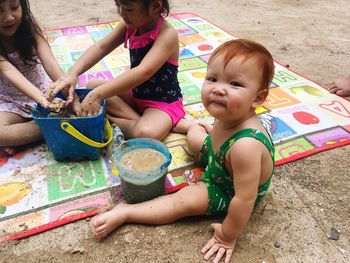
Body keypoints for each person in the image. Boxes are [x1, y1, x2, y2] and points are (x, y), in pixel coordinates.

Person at [90, 39, 276, 263]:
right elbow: (217, 136)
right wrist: (208, 131)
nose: (218, 89)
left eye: (234, 84)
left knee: (183, 200)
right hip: (218, 157)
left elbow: (244, 199)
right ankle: (190, 125)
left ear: (257, 98)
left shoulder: (247, 146)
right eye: (212, 79)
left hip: (228, 188)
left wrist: (227, 236)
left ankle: (126, 211)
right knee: (196, 137)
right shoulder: (230, 114)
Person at [48, 0, 185, 140]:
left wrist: (98, 95)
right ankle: (136, 120)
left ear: (156, 6)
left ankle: (107, 118)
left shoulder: (167, 34)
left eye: (128, 9)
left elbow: (143, 71)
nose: (121, 13)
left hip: (162, 103)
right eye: (117, 5)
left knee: (146, 133)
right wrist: (73, 73)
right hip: (136, 95)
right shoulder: (130, 25)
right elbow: (101, 47)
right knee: (92, 85)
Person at [0, 0, 67, 155]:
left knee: (64, 102)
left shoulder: (29, 26)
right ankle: (55, 124)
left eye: (14, 7)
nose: (8, 17)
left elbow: (50, 62)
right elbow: (10, 72)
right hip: (9, 102)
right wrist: (42, 101)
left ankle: (23, 137)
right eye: (0, 10)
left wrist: (68, 90)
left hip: (43, 93)